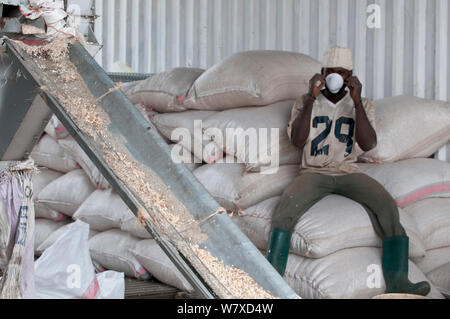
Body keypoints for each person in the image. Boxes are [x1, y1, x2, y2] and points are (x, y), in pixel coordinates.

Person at [266, 46, 431, 296]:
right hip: (313, 172)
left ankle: (398, 280)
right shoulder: (305, 101)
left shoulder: (361, 104)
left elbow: (368, 144)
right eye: (330, 72)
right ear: (321, 74)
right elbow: (298, 141)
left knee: (386, 204)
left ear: (350, 77)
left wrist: (357, 103)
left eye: (341, 73)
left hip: (347, 171)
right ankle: (270, 278)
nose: (335, 77)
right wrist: (311, 97)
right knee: (287, 208)